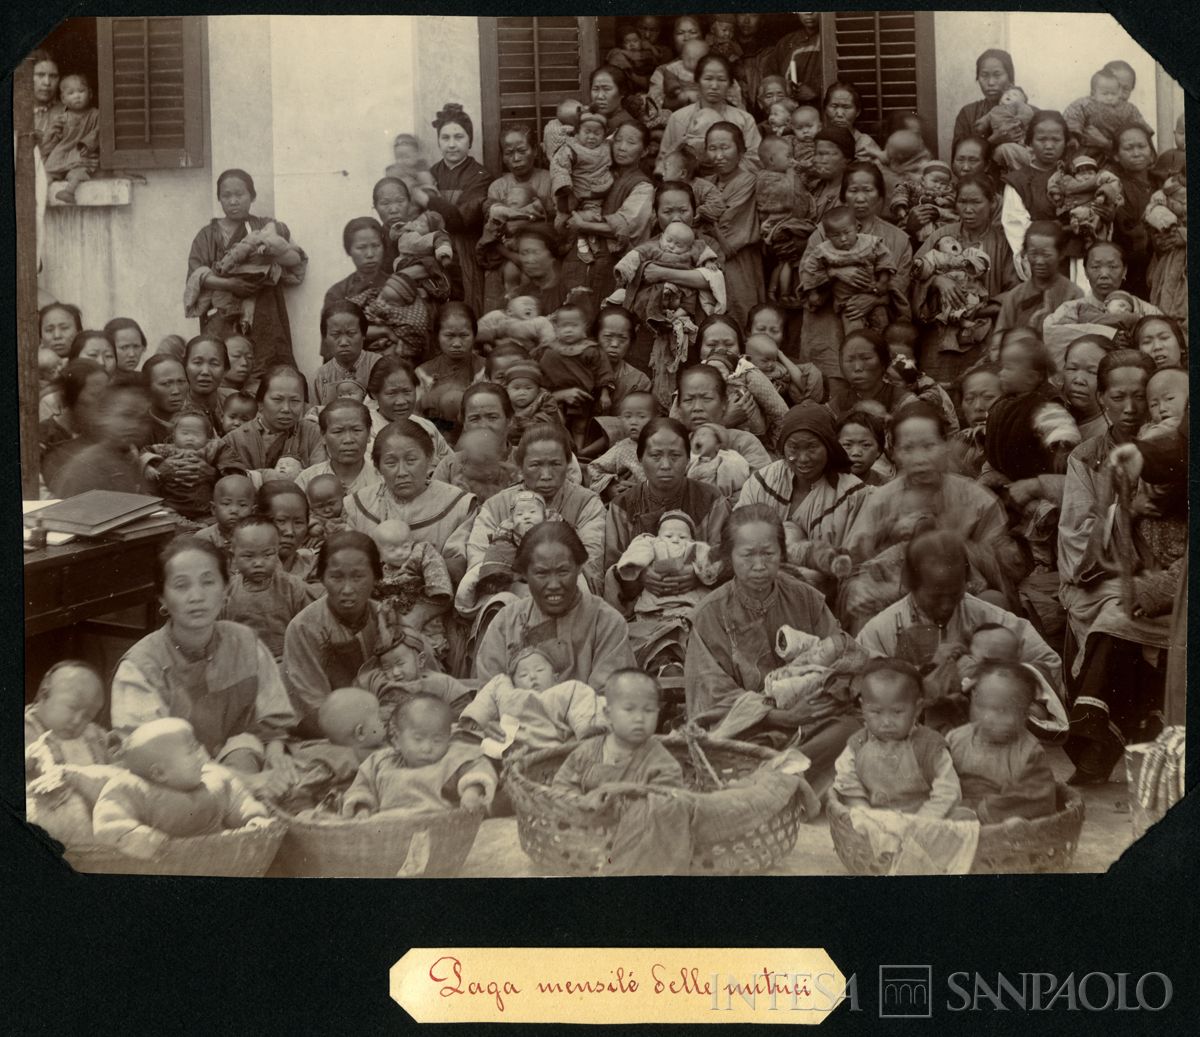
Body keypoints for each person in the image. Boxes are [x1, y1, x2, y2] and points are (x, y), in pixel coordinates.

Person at [684, 505, 859, 782]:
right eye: (747, 555)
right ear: (729, 556)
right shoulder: (709, 614)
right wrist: (777, 716)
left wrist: (819, 698)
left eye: (768, 553)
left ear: (782, 553)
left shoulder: (806, 598)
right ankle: (784, 781)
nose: (759, 566)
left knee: (853, 728)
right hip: (748, 726)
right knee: (724, 749)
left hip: (809, 719)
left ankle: (776, 782)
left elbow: (840, 655)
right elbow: (711, 695)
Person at [111, 537, 298, 796]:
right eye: (181, 585)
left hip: (235, 759)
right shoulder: (140, 666)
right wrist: (247, 782)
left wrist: (276, 756)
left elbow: (271, 718)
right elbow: (152, 757)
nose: (196, 596)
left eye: (208, 582)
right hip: (170, 782)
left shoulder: (244, 641)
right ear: (162, 598)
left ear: (226, 590)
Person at [1058, 350, 1168, 783]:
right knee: (1114, 608)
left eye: (1140, 396)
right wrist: (1129, 510)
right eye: (1117, 396)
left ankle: (1097, 740)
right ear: (1101, 398)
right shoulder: (1086, 457)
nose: (1130, 408)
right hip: (1102, 574)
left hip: (1166, 572)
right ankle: (1106, 736)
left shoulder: (1172, 446)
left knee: (1124, 615)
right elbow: (1076, 537)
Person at [842, 404, 1023, 631]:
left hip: (962, 595)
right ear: (895, 452)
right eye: (908, 448)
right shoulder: (882, 500)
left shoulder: (977, 500)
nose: (919, 458)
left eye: (929, 446)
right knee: (860, 594)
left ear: (945, 446)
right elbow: (855, 563)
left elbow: (1004, 567)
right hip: (894, 599)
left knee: (993, 601)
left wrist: (948, 544)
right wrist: (890, 535)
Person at [857, 531, 1061, 703]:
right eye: (935, 597)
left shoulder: (984, 613)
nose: (946, 606)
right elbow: (862, 692)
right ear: (912, 585)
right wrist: (922, 679)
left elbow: (1048, 663)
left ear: (966, 582)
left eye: (955, 594)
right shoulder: (879, 631)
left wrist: (989, 674)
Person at [474, 522, 636, 695]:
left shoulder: (606, 622)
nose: (554, 584)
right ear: (524, 574)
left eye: (563, 571)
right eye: (541, 573)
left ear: (579, 568)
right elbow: (490, 695)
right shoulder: (505, 623)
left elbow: (610, 698)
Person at [798, 160, 913, 394]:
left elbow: (901, 283)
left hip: (876, 325)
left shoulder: (898, 239)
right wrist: (835, 272)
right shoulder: (824, 232)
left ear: (880, 195)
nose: (860, 198)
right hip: (828, 323)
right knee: (832, 392)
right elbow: (806, 276)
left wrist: (874, 297)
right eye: (853, 190)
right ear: (843, 195)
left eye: (868, 190)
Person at [186, 169, 307, 377]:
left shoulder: (266, 227)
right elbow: (196, 276)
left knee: (267, 368)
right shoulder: (207, 235)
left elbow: (295, 259)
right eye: (226, 196)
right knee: (223, 366)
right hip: (222, 313)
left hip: (264, 310)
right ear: (219, 199)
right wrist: (231, 285)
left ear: (252, 196)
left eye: (239, 195)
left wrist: (269, 249)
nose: (233, 201)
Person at [93, 717, 271, 859]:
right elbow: (109, 819)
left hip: (218, 856)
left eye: (198, 746)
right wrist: (136, 837)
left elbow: (239, 799)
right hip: (162, 861)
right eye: (192, 750)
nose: (203, 754)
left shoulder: (214, 778)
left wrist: (254, 818)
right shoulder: (133, 788)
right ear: (160, 773)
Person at [736, 402, 869, 586]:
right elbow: (738, 538)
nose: (803, 458)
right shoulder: (762, 481)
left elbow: (854, 566)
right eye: (794, 448)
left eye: (812, 447)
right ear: (783, 447)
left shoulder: (855, 496)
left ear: (829, 446)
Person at [468, 425, 606, 592]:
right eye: (535, 465)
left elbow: (590, 563)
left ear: (568, 464)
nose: (546, 475)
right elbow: (479, 559)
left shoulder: (586, 503)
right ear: (521, 467)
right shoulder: (497, 505)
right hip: (507, 592)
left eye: (556, 464)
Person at [911, 174, 1019, 383]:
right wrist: (937, 281)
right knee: (937, 389)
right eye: (963, 202)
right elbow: (915, 273)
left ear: (992, 203)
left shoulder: (1004, 241)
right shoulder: (941, 235)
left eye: (976, 202)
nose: (968, 209)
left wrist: (977, 308)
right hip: (940, 329)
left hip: (986, 328)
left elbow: (1015, 290)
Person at [281, 531, 389, 736]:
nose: (347, 589)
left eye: (358, 576)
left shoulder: (388, 617)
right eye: (336, 577)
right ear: (321, 577)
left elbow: (415, 680)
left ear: (376, 576)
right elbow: (310, 704)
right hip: (328, 731)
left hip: (385, 724)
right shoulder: (304, 627)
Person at [342, 418, 476, 576]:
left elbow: (460, 566)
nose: (402, 472)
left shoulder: (459, 504)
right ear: (377, 467)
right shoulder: (358, 505)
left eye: (411, 460)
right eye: (391, 463)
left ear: (429, 458)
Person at [831, 659, 961, 817]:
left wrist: (921, 822)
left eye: (897, 712)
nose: (886, 722)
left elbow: (948, 790)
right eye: (876, 712)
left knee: (962, 817)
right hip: (875, 822)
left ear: (917, 708)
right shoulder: (858, 744)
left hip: (923, 820)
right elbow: (847, 782)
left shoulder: (930, 746)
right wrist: (864, 814)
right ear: (863, 707)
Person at [341, 694, 496, 817]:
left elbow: (478, 767)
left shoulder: (452, 756)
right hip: (388, 829)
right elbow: (361, 787)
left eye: (437, 740)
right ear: (396, 739)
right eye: (418, 739)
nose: (427, 748)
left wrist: (472, 792)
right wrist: (362, 808)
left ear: (448, 737)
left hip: (441, 825)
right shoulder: (380, 762)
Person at [947, 663, 1059, 822]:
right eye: (981, 706)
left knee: (1017, 823)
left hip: (998, 822)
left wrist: (979, 814)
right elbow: (937, 775)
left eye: (1002, 711)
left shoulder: (1028, 752)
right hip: (954, 813)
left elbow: (1035, 797)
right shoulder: (955, 739)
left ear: (1024, 714)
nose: (987, 717)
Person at [561, 122, 656, 305]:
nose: (621, 147)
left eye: (631, 142)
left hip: (615, 264)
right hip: (581, 259)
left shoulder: (643, 186)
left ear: (644, 151)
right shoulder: (601, 172)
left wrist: (583, 225)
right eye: (618, 140)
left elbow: (627, 227)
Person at [457, 645, 602, 757]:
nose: (532, 676)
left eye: (540, 670)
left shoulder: (566, 690)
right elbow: (485, 699)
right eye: (523, 675)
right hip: (506, 746)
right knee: (465, 746)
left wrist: (586, 733)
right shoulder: (507, 690)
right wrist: (476, 721)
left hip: (551, 748)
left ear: (556, 678)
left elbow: (584, 705)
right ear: (514, 682)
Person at [553, 671, 683, 795]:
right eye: (629, 709)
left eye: (648, 710)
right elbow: (562, 786)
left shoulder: (663, 763)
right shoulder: (585, 753)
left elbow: (666, 805)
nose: (639, 718)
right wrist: (580, 803)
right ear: (608, 714)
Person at [423, 104, 493, 314]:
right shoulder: (431, 173)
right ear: (438, 141)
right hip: (432, 250)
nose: (452, 145)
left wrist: (430, 196)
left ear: (470, 140)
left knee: (466, 310)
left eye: (459, 137)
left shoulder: (480, 176)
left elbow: (460, 220)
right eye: (445, 138)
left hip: (465, 253)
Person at [480, 126, 557, 313]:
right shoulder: (498, 187)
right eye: (509, 153)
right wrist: (516, 258)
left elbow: (555, 227)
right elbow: (493, 235)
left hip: (544, 259)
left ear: (536, 150)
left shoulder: (549, 180)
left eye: (522, 151)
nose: (516, 159)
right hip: (507, 258)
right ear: (503, 157)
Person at [221, 515, 318, 662]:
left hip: (289, 659)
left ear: (277, 549)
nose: (258, 563)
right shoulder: (227, 593)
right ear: (233, 552)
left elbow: (311, 627)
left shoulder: (291, 587)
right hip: (246, 664)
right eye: (248, 556)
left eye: (267, 554)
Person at [213, 365, 326, 480]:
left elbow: (320, 478)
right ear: (260, 404)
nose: (286, 409)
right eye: (277, 400)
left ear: (305, 404)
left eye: (295, 401)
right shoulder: (233, 440)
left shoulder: (314, 433)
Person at [657, 54, 761, 178]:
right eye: (708, 79)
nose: (714, 86)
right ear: (697, 81)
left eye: (721, 80)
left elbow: (755, 161)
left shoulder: (744, 119)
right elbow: (664, 161)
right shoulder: (678, 118)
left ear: (730, 84)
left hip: (733, 185)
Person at [703, 121, 764, 328]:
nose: (718, 156)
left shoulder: (748, 181)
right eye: (712, 149)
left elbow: (729, 228)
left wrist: (705, 224)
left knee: (740, 320)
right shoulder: (707, 182)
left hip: (738, 263)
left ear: (741, 150)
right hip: (706, 263)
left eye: (725, 147)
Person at [800, 205, 895, 335]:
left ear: (857, 227)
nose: (843, 239)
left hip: (873, 294)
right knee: (854, 333)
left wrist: (883, 281)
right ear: (827, 236)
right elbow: (810, 269)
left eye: (847, 232)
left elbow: (885, 259)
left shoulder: (870, 243)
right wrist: (813, 292)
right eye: (836, 235)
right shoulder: (823, 251)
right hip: (847, 303)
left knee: (882, 328)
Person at [48, 380, 150, 498]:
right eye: (127, 415)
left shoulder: (130, 458)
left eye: (143, 419)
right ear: (103, 417)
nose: (135, 425)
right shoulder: (87, 469)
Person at [991, 221, 1083, 346]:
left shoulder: (1073, 294)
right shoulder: (1015, 296)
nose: (1039, 261)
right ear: (1025, 253)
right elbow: (1000, 337)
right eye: (1033, 254)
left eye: (1046, 255)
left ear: (1061, 254)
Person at [673, 364, 772, 469]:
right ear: (679, 407)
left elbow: (761, 481)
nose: (697, 407)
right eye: (688, 400)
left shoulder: (744, 443)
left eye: (707, 398)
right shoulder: (671, 446)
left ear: (724, 403)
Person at [363, 355, 451, 467]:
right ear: (375, 394)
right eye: (392, 393)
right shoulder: (366, 431)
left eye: (407, 391)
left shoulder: (426, 426)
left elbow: (451, 467)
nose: (401, 401)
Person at [415, 301, 485, 426]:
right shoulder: (423, 372)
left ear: (474, 335)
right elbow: (416, 414)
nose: (457, 343)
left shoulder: (485, 368)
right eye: (449, 336)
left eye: (464, 335)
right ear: (437, 336)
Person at [294, 398, 379, 498]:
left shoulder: (383, 479)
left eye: (357, 430)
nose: (348, 440)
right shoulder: (307, 479)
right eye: (338, 432)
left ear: (369, 434)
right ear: (323, 436)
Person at [826, 329, 916, 423]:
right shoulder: (837, 404)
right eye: (850, 360)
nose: (857, 368)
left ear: (883, 362)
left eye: (866, 358)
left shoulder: (906, 403)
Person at [40, 72, 99, 204]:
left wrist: (87, 144)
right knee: (47, 175)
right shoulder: (62, 118)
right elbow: (56, 138)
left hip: (79, 153)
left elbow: (98, 131)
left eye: (81, 91)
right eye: (71, 93)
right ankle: (41, 196)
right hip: (62, 154)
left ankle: (69, 192)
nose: (77, 96)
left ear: (90, 93)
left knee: (78, 173)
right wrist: (52, 137)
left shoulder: (95, 114)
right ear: (63, 99)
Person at [310, 301, 379, 407]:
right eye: (335, 334)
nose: (343, 342)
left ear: (363, 334)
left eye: (351, 333)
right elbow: (313, 417)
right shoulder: (319, 377)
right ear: (325, 338)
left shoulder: (379, 366)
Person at [952, 49, 1016, 154]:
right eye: (984, 75)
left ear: (1010, 77)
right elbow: (960, 161)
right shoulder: (968, 114)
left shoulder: (1028, 112)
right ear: (978, 78)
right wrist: (993, 140)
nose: (990, 83)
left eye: (997, 75)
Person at [1060, 334, 1113, 441]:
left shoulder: (1111, 432)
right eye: (1072, 368)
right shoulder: (1053, 414)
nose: (1079, 380)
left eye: (1092, 372)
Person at [822, 80, 882, 162]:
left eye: (846, 107)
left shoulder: (865, 144)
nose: (839, 114)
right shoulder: (815, 139)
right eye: (834, 106)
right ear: (825, 109)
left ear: (857, 112)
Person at [182, 334, 229, 436]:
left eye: (214, 364)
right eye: (197, 362)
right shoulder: (175, 407)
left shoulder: (236, 400)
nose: (205, 372)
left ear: (225, 370)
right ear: (185, 366)